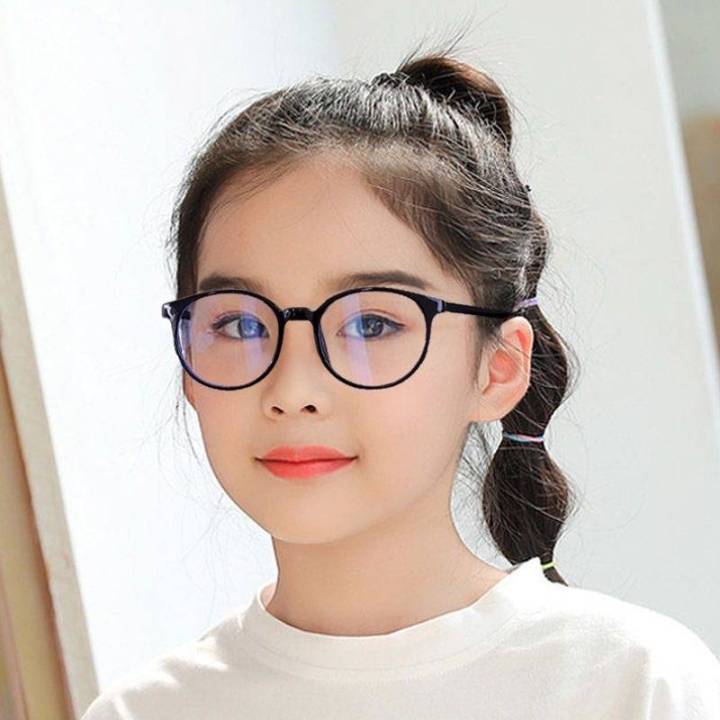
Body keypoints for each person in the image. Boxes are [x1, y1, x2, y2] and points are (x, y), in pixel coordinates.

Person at [81, 36, 720, 720]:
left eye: (371, 324)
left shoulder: (632, 684)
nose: (292, 391)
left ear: (498, 368)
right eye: (239, 324)